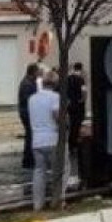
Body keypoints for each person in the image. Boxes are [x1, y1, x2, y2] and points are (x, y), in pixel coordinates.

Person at [28, 71, 62, 212]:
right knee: (57, 172)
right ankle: (56, 201)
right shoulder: (55, 97)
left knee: (39, 172)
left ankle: (37, 204)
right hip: (52, 139)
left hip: (37, 140)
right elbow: (56, 115)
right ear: (55, 84)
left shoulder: (32, 98)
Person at [18, 63, 41, 169]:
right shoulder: (27, 83)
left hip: (28, 112)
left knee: (30, 136)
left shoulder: (30, 82)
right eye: (38, 71)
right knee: (30, 136)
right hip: (27, 113)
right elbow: (27, 99)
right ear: (33, 72)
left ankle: (29, 159)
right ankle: (28, 160)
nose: (39, 73)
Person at [66, 62, 87, 153]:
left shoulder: (68, 78)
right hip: (78, 105)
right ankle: (75, 145)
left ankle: (71, 145)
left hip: (70, 105)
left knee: (72, 125)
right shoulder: (81, 79)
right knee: (77, 125)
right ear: (81, 69)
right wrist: (83, 99)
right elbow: (84, 92)